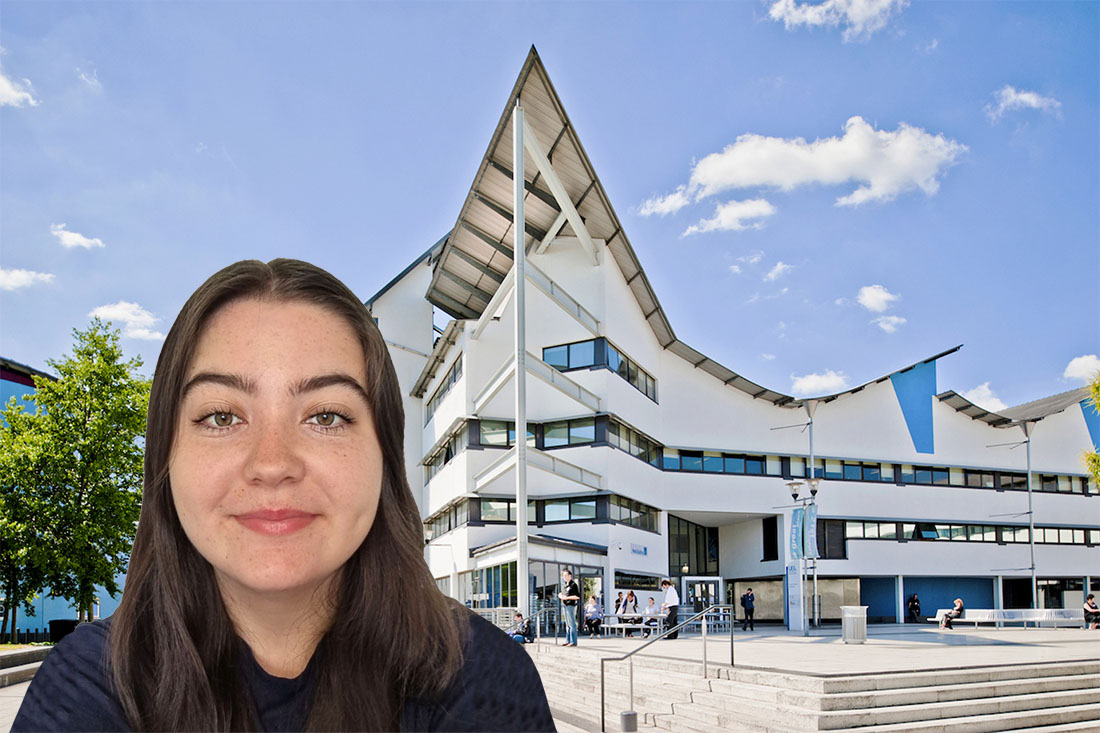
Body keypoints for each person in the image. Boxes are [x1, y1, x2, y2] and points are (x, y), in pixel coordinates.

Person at [13, 259, 555, 732]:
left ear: (385, 459)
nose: (272, 464)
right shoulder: (88, 690)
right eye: (221, 417)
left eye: (327, 416)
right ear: (165, 459)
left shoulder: (484, 683)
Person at [558, 569, 581, 646]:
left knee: (572, 624)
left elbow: (577, 596)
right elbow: (562, 594)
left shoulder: (573, 585)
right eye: (563, 576)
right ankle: (568, 640)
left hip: (570, 606)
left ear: (570, 576)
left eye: (566, 575)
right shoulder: (565, 586)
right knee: (567, 625)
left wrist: (567, 598)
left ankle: (573, 641)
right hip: (565, 606)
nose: (564, 577)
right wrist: (560, 595)